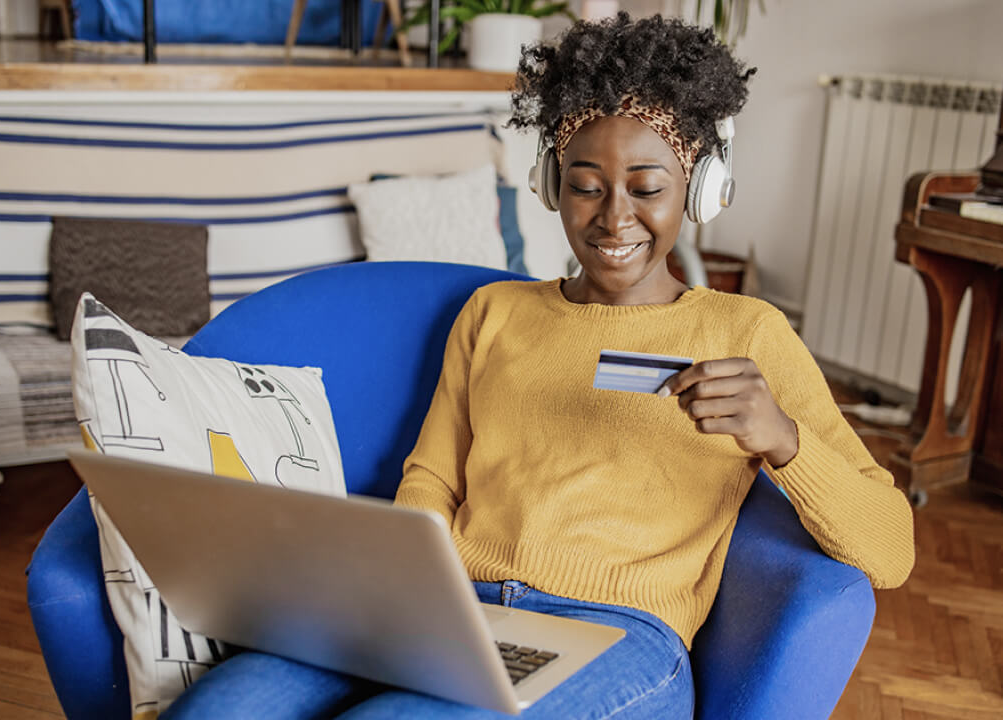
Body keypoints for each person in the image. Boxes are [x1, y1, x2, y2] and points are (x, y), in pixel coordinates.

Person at [163, 13, 914, 719]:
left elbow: (890, 551)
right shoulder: (495, 313)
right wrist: (409, 596)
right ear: (551, 184)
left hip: (620, 636)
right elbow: (431, 477)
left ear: (703, 188)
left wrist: (783, 439)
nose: (614, 218)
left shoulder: (746, 331)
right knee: (221, 707)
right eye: (586, 185)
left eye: (647, 188)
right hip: (454, 607)